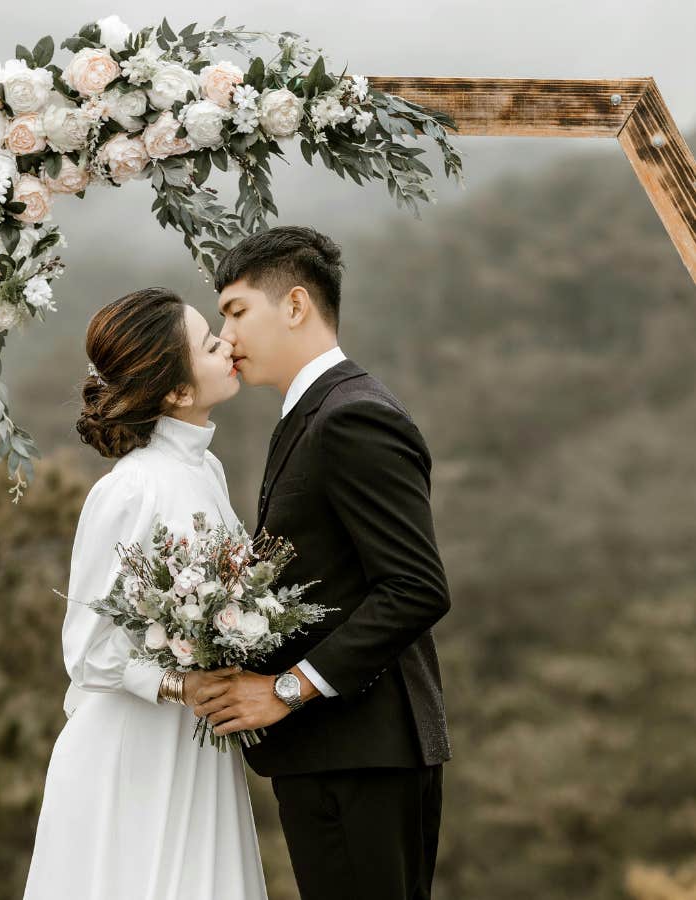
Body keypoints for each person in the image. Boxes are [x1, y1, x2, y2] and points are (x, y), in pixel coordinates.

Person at [193, 225, 453, 900]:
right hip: (335, 755)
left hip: (366, 753)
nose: (227, 337)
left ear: (297, 305)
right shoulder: (308, 414)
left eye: (237, 311)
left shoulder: (352, 416)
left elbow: (416, 588)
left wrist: (286, 690)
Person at [22, 287, 268, 900]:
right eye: (211, 344)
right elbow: (84, 650)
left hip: (196, 744)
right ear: (176, 391)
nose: (228, 345)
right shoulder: (129, 490)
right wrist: (179, 683)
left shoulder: (206, 470)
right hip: (132, 751)